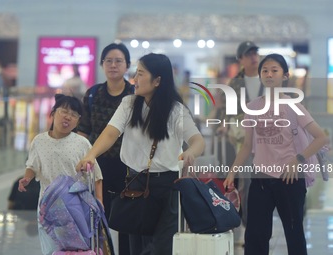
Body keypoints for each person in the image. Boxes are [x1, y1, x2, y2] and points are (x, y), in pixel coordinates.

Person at [76, 53, 205, 255]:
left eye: (141, 74)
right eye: (136, 73)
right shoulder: (129, 104)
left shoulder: (176, 110)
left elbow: (198, 141)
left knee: (162, 246)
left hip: (168, 187)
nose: (135, 78)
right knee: (137, 246)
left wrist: (190, 152)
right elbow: (111, 133)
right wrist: (91, 154)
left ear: (157, 80)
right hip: (135, 184)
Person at [223, 53, 329, 255]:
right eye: (265, 70)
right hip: (261, 178)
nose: (269, 74)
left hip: (290, 179)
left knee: (293, 233)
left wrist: (297, 160)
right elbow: (247, 145)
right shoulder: (253, 107)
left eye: (274, 70)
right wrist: (232, 172)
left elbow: (321, 138)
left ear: (285, 76)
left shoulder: (293, 106)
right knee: (255, 235)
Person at [18, 94, 103, 255]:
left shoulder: (81, 143)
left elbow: (97, 176)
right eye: (64, 111)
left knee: (74, 250)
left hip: (75, 208)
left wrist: (99, 202)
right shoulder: (39, 141)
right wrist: (27, 177)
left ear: (78, 121)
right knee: (50, 250)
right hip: (47, 206)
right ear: (53, 113)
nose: (68, 117)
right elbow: (32, 165)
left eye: (74, 115)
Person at [76, 42, 133, 255]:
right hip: (97, 168)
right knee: (98, 221)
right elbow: (83, 130)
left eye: (118, 61)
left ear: (127, 65)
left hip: (129, 169)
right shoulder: (93, 94)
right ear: (101, 64)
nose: (113, 65)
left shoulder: (135, 95)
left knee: (128, 222)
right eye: (108, 60)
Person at [218, 41, 263, 234]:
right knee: (248, 181)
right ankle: (249, 226)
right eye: (248, 54)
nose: (253, 56)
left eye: (255, 52)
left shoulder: (268, 78)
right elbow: (227, 111)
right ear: (241, 59)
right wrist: (226, 124)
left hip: (269, 139)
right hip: (243, 140)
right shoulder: (235, 83)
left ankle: (261, 224)